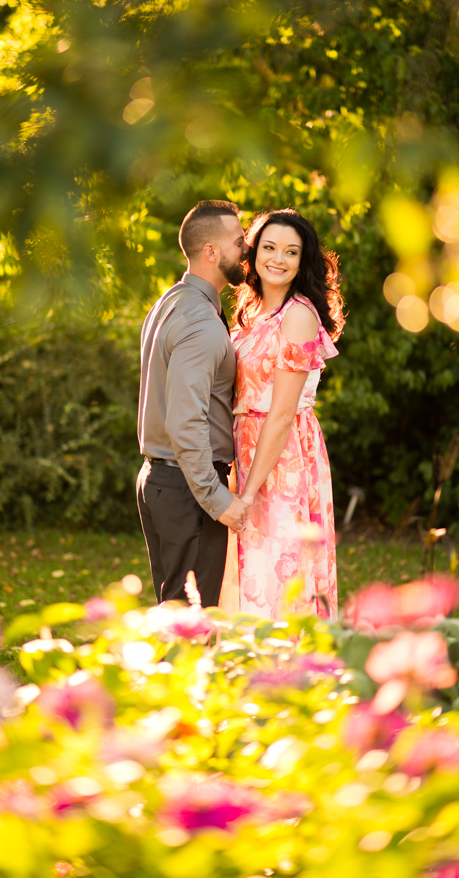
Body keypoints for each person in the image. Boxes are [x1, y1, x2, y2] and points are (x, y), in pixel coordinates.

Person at [221, 209, 345, 619]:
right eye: (269, 247)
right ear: (254, 252)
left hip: (283, 458)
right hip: (245, 447)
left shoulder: (297, 315)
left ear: (302, 261)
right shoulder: (252, 312)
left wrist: (249, 492)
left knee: (276, 569)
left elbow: (281, 415)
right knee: (245, 568)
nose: (278, 258)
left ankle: (285, 672)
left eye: (291, 252)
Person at [136, 199, 250, 608]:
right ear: (211, 252)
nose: (247, 251)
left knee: (176, 614)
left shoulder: (173, 300)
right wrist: (218, 501)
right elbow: (186, 421)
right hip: (188, 489)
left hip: (166, 481)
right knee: (192, 625)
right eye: (240, 243)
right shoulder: (201, 321)